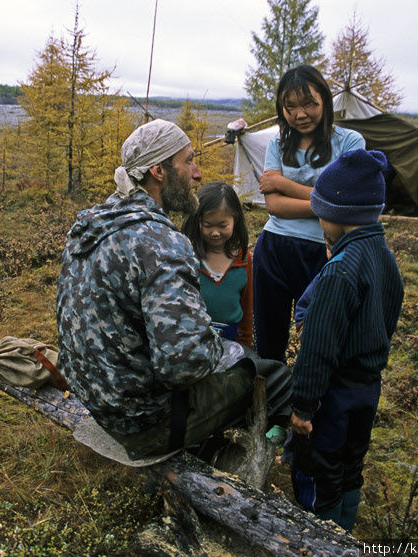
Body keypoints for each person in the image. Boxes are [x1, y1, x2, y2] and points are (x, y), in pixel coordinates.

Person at [56, 120, 292, 460]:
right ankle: (255, 454)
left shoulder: (93, 225)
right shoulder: (162, 242)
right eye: (188, 161)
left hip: (98, 402)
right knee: (269, 372)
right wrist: (223, 347)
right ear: (159, 170)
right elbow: (184, 365)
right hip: (143, 425)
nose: (197, 174)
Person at [286, 149, 404, 532]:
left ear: (338, 215)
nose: (319, 220)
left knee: (323, 468)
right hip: (369, 387)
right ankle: (348, 530)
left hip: (334, 395)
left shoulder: (339, 272)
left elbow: (317, 350)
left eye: (321, 212)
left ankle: (322, 536)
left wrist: (303, 408)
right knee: (353, 465)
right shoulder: (385, 257)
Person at [254, 64, 366, 362]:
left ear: (325, 101)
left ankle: (310, 402)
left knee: (321, 335)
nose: (300, 114)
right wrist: (325, 203)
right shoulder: (278, 144)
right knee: (269, 339)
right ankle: (272, 400)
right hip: (274, 248)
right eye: (290, 107)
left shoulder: (351, 142)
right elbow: (274, 206)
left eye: (309, 104)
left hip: (325, 252)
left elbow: (345, 205)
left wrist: (281, 183)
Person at [181, 181, 253, 347]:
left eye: (223, 225)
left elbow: (247, 309)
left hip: (232, 342)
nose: (214, 232)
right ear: (197, 221)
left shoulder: (244, 260)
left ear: (235, 219)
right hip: (195, 342)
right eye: (207, 225)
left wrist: (245, 345)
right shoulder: (188, 258)